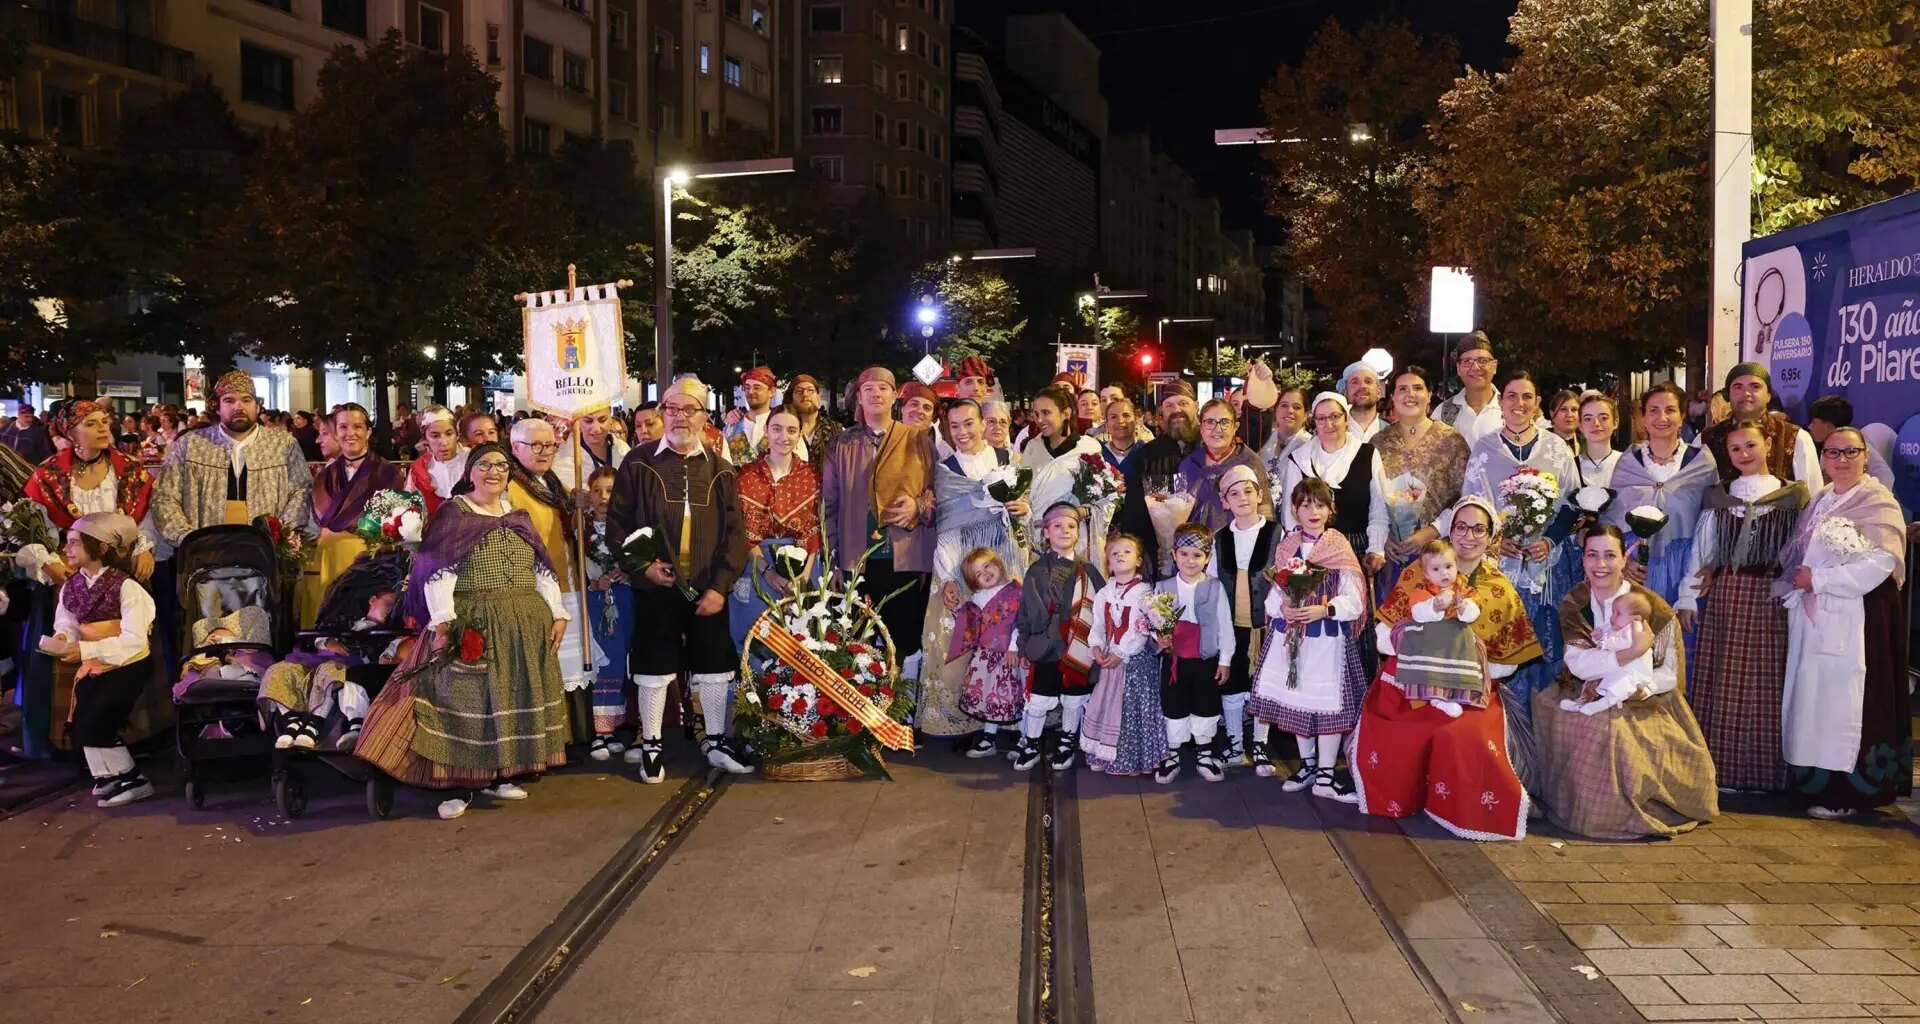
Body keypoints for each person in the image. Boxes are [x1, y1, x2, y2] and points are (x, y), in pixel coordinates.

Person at [354, 442, 573, 820]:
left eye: (501, 466)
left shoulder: (518, 514)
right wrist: (444, 622)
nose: (494, 472)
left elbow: (542, 568)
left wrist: (557, 613)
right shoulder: (455, 514)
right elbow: (438, 571)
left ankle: (502, 774)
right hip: (473, 618)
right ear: (469, 472)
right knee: (465, 701)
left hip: (524, 621)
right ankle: (462, 784)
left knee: (508, 699)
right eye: (484, 464)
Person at [1354, 496, 1541, 840]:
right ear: (1451, 530)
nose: (1469, 536)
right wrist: (1412, 650)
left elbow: (1509, 660)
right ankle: (1403, 797)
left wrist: (1472, 669)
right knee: (1396, 725)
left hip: (1471, 688)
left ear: (1492, 536)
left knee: (1464, 738)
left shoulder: (1500, 587)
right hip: (1412, 675)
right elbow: (1385, 630)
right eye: (1461, 527)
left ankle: (1458, 808)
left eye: (1479, 529)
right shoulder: (1417, 572)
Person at [605, 376, 751, 784]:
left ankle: (717, 741)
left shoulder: (721, 470)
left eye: (690, 409)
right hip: (657, 584)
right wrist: (643, 567)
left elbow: (735, 535)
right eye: (672, 408)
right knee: (653, 664)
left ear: (705, 416)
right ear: (661, 412)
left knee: (714, 663)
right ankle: (651, 744)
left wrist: (720, 587)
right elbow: (617, 524)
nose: (680, 417)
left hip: (706, 586)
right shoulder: (638, 461)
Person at [1533, 528, 1718, 839]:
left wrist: (1638, 687)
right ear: (1583, 559)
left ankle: (1629, 809)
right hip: (1584, 686)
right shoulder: (1575, 601)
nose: (1600, 564)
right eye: (1592, 555)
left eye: (1609, 555)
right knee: (1588, 723)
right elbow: (1578, 664)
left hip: (1646, 692)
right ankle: (1589, 812)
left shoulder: (1650, 605)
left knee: (1617, 729)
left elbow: (1669, 672)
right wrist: (1630, 652)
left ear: (1624, 559)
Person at [1776, 428, 1911, 819]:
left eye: (1851, 451)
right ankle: (1813, 782)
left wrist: (1821, 581)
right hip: (1814, 616)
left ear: (1865, 456)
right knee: (1813, 697)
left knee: (1845, 700)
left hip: (1856, 620)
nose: (1841, 459)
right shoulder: (1820, 500)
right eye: (1833, 452)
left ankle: (1848, 792)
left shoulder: (1877, 501)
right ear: (1822, 459)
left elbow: (1881, 563)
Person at [1461, 371, 1577, 792]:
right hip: (1501, 568)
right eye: (1511, 396)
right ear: (1501, 401)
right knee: (1501, 653)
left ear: (1538, 402)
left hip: (1545, 569)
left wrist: (1549, 539)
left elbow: (1570, 504)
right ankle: (1503, 751)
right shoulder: (1485, 448)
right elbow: (1472, 503)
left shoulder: (1556, 448)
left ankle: (1544, 758)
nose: (1519, 404)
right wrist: (1496, 537)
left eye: (1527, 397)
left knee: (1545, 650)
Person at [1676, 419, 1806, 793]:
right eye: (1735, 449)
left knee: (1768, 682)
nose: (1744, 454)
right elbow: (1704, 550)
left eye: (1751, 445)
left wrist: (1796, 595)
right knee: (1724, 680)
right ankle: (1723, 770)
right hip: (1729, 594)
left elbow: (1800, 550)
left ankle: (1766, 773)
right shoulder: (1720, 495)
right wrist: (1689, 595)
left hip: (1772, 596)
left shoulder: (1793, 496)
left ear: (1768, 444)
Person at [1249, 478, 1367, 803]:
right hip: (1291, 637)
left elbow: (1354, 600)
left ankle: (1326, 777)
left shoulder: (1337, 546)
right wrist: (1283, 607)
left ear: (1331, 510)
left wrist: (1325, 610)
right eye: (1305, 505)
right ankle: (1308, 766)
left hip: (1326, 639)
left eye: (1320, 505)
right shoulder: (1289, 546)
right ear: (1294, 510)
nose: (1312, 511)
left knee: (1327, 704)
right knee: (1298, 700)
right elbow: (1275, 596)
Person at [820, 367, 936, 670]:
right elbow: (828, 507)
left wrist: (918, 507)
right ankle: (861, 713)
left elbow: (939, 495)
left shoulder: (918, 441)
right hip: (856, 561)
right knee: (856, 643)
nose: (876, 393)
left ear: (895, 395)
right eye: (868, 388)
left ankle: (903, 713)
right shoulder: (841, 445)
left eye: (883, 388)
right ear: (859, 396)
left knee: (905, 643)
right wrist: (833, 561)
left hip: (904, 558)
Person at [926, 399, 1028, 742]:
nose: (962, 432)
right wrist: (950, 578)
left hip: (1002, 558)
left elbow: (1026, 513)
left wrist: (1022, 509)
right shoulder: (945, 470)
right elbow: (946, 526)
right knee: (964, 635)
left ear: (983, 423)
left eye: (969, 423)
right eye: (954, 426)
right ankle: (964, 717)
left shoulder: (1007, 461)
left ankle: (1009, 713)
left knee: (1006, 634)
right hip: (962, 563)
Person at [38, 513, 156, 807]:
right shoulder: (72, 585)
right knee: (80, 723)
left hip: (129, 663)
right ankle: (108, 776)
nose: (67, 550)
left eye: (75, 543)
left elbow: (134, 640)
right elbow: (67, 623)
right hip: (95, 662)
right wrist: (65, 638)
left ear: (101, 548)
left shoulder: (127, 587)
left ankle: (133, 779)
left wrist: (86, 650)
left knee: (97, 723)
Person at [152, 371, 313, 546]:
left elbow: (301, 491)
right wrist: (187, 537)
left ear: (257, 406)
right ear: (217, 407)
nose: (239, 407)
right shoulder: (191, 444)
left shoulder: (283, 444)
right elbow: (164, 496)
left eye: (246, 400)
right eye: (229, 400)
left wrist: (279, 533)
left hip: (268, 555)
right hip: (205, 554)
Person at [507, 417, 602, 697]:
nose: (545, 451)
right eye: (536, 445)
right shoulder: (510, 486)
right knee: (551, 668)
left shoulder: (551, 481)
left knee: (576, 667)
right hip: (538, 591)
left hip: (569, 582)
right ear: (515, 447)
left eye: (549, 445)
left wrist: (578, 505)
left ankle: (585, 735)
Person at [1606, 383, 1719, 608]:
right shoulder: (1628, 462)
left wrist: (1710, 565)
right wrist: (1621, 560)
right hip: (1636, 566)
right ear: (1644, 418)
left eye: (1670, 410)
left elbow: (1713, 520)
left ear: (1682, 415)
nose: (1662, 417)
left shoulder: (1702, 462)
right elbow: (1612, 519)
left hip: (1686, 566)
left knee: (1679, 638)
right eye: (1654, 410)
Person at [1012, 503, 1104, 772]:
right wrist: (1024, 646)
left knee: (1073, 700)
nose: (1065, 531)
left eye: (1071, 526)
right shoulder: (1036, 570)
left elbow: (1099, 611)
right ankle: (1031, 742)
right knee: (1039, 699)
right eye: (1058, 526)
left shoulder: (1088, 570)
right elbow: (1026, 611)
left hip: (1078, 646)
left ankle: (1067, 742)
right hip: (1046, 647)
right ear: (1047, 533)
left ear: (1078, 533)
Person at [299, 404, 407, 629]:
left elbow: (396, 527)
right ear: (336, 433)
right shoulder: (324, 476)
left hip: (370, 565)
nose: (351, 433)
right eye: (343, 427)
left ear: (368, 431)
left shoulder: (389, 474)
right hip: (326, 562)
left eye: (358, 426)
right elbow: (313, 521)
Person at [731, 408, 822, 657]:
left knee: (801, 647)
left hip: (803, 568)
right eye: (777, 429)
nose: (784, 437)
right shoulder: (746, 475)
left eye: (791, 430)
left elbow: (815, 531)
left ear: (800, 434)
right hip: (756, 566)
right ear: (766, 432)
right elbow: (743, 532)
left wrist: (801, 578)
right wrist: (768, 572)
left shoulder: (812, 476)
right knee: (756, 645)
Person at [1374, 368, 1471, 594]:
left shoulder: (1451, 440)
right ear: (1393, 397)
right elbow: (1372, 498)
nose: (1410, 395)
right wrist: (1384, 536)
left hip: (1439, 553)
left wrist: (1432, 531)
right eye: (1402, 389)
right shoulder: (1378, 442)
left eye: (1418, 388)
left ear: (1429, 395)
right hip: (1392, 553)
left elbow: (1465, 497)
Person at [1079, 533, 1167, 776]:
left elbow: (1142, 629)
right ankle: (1105, 755)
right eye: (1114, 553)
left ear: (1139, 560)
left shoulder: (1145, 593)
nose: (1120, 555)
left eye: (1127, 552)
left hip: (1134, 662)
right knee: (1108, 705)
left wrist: (1121, 652)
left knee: (1129, 708)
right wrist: (1096, 647)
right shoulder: (1104, 593)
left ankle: (1131, 760)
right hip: (1109, 660)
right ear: (1107, 561)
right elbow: (1097, 625)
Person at [1153, 523, 1234, 783]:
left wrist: (1224, 660)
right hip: (1175, 660)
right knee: (1173, 704)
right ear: (1174, 555)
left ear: (1207, 558)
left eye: (1198, 555)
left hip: (1205, 659)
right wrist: (1160, 638)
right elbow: (1153, 624)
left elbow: (1224, 625)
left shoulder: (1214, 587)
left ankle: (1204, 754)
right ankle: (1173, 754)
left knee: (1206, 704)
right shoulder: (1162, 587)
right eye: (1185, 554)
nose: (1190, 560)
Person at [1209, 466, 1273, 770]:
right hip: (1232, 627)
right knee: (1233, 683)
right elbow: (1211, 583)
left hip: (1268, 625)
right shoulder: (1219, 539)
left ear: (1260, 494)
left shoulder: (1277, 534)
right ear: (1224, 502)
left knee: (1263, 684)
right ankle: (1235, 743)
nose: (1243, 498)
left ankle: (1260, 743)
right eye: (1234, 493)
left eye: (1248, 491)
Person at [1388, 539, 1491, 716]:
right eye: (1436, 569)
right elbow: (1417, 613)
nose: (1444, 573)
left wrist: (1464, 608)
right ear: (1426, 574)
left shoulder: (1464, 590)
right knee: (1431, 664)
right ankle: (1436, 698)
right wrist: (1434, 607)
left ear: (1457, 566)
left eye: (1448, 566)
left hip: (1457, 641)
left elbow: (1474, 612)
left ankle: (1458, 693)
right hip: (1431, 642)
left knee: (1470, 647)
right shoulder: (1422, 591)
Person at [946, 548, 1026, 757]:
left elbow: (1020, 623)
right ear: (974, 582)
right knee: (991, 697)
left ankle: (1025, 737)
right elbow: (972, 624)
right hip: (987, 657)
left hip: (1011, 656)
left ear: (998, 564)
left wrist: (1013, 648)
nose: (986, 574)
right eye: (978, 574)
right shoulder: (978, 597)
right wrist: (957, 610)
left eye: (987, 566)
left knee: (1017, 695)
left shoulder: (1016, 590)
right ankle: (988, 739)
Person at [1116, 386, 1200, 579]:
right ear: (1162, 413)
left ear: (1196, 407)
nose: (1176, 409)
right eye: (1169, 405)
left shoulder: (1209, 449)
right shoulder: (1149, 455)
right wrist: (1143, 553)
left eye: (1183, 403)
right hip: (1161, 561)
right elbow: (1136, 512)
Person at [582, 466, 635, 761]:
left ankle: (617, 727)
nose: (604, 497)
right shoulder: (581, 529)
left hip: (626, 599)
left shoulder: (629, 527)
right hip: (597, 601)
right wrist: (594, 581)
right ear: (588, 496)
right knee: (605, 662)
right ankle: (600, 733)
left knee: (624, 660)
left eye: (610, 491)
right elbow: (572, 568)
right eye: (597, 491)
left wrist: (629, 570)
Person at [1700, 363, 1819, 484]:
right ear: (1728, 396)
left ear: (1768, 395)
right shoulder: (1707, 438)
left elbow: (1812, 496)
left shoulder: (1796, 437)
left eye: (1755, 386)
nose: (1746, 393)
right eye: (1738, 387)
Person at [1180, 398, 1272, 535]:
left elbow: (1265, 514)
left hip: (1241, 546)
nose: (1217, 429)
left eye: (1225, 422)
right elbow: (1179, 513)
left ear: (1235, 427)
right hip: (1195, 550)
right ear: (1201, 428)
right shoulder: (1188, 465)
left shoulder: (1250, 462)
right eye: (1210, 422)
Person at [1557, 590, 1655, 715]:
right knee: (1594, 682)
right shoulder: (1618, 627)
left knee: (1617, 686)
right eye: (1613, 612)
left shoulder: (1636, 629)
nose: (1612, 617)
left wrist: (1606, 642)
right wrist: (1598, 636)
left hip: (1633, 672)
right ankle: (1581, 703)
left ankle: (1596, 707)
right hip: (1621, 667)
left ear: (1635, 618)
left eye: (1618, 613)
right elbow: (1605, 638)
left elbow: (1624, 644)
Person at [1806, 396, 1896, 491]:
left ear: (1827, 425)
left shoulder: (1856, 443)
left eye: (1814, 422)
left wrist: (1870, 501)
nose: (1810, 426)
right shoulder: (1827, 447)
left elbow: (1885, 475)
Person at [1433, 332, 1504, 447]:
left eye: (1483, 361)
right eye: (1467, 362)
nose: (1475, 367)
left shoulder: (1511, 409)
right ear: (1458, 368)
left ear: (1495, 366)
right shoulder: (1443, 414)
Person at [404, 406, 467, 517]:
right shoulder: (419, 469)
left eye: (449, 434)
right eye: (435, 436)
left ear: (457, 434)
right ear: (425, 439)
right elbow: (408, 508)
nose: (444, 442)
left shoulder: (473, 461)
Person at [553, 406, 631, 495]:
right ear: (578, 421)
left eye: (602, 420)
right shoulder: (565, 457)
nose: (596, 429)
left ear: (610, 420)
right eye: (588, 421)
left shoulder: (623, 450)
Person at [724, 366, 779, 465]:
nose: (750, 392)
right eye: (747, 387)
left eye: (757, 387)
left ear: (772, 392)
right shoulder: (731, 425)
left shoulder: (782, 425)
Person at [1017, 385, 1080, 468]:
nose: (1039, 420)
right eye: (1036, 414)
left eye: (1046, 412)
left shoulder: (1087, 449)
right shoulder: (1032, 448)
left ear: (1066, 413)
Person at [785, 374, 841, 462]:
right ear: (791, 398)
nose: (805, 394)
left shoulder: (838, 430)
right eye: (799, 391)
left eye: (810, 390)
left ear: (819, 397)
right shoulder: (780, 429)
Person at [1339, 361, 1385, 442]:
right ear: (1345, 392)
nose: (1362, 386)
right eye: (1355, 382)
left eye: (1368, 382)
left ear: (1379, 392)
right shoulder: (1330, 431)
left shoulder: (1394, 433)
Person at [1099, 397, 1143, 475]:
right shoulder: (1098, 454)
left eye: (1126, 415)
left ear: (1136, 421)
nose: (1120, 421)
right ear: (1106, 425)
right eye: (1113, 417)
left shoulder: (1147, 452)